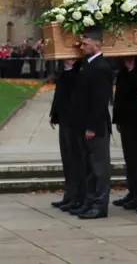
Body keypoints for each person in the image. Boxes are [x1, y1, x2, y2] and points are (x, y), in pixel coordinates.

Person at [67, 28, 114, 220]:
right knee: (88, 167)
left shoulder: (102, 67)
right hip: (83, 123)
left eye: (85, 44)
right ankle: (89, 201)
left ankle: (100, 205)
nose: (82, 47)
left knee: (99, 168)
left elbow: (100, 100)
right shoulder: (86, 64)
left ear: (97, 45)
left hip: (95, 126)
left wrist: (92, 127)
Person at [112, 56, 137, 211]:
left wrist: (132, 69)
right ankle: (133, 191)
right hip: (126, 119)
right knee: (130, 159)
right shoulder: (123, 71)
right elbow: (120, 95)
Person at [49, 59, 83, 208]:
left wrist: (70, 68)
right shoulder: (64, 67)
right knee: (67, 159)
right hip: (64, 117)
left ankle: (76, 196)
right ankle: (69, 194)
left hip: (74, 119)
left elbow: (75, 90)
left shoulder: (81, 67)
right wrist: (54, 113)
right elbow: (60, 90)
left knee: (75, 159)